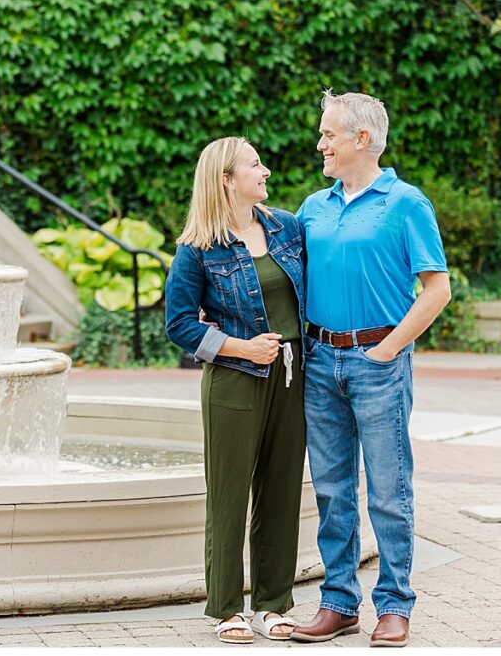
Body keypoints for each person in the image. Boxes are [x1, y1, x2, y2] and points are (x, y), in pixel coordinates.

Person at [289, 91, 450, 648]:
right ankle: (338, 604)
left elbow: (437, 289)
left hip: (378, 362)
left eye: (329, 134)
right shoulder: (313, 206)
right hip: (318, 362)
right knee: (333, 491)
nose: (320, 144)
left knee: (388, 490)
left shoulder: (406, 204)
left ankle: (395, 606)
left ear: (362, 139)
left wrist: (389, 350)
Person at [165, 137, 307, 644]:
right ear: (226, 178)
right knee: (229, 495)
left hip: (293, 377)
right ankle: (226, 608)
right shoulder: (198, 248)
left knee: (283, 489)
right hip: (234, 380)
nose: (265, 170)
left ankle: (272, 604)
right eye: (254, 164)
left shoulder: (287, 228)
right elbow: (179, 324)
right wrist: (242, 349)